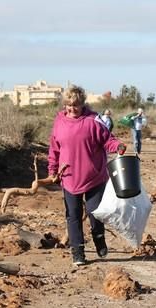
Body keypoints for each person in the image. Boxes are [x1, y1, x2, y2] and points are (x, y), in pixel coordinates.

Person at [48, 85, 126, 266]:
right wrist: (52, 169)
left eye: (75, 105)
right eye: (68, 105)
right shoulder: (59, 121)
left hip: (94, 176)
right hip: (68, 176)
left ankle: (99, 238)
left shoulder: (93, 120)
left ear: (83, 104)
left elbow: (108, 139)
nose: (72, 109)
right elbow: (54, 148)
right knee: (73, 215)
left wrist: (118, 146)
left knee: (95, 212)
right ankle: (78, 253)